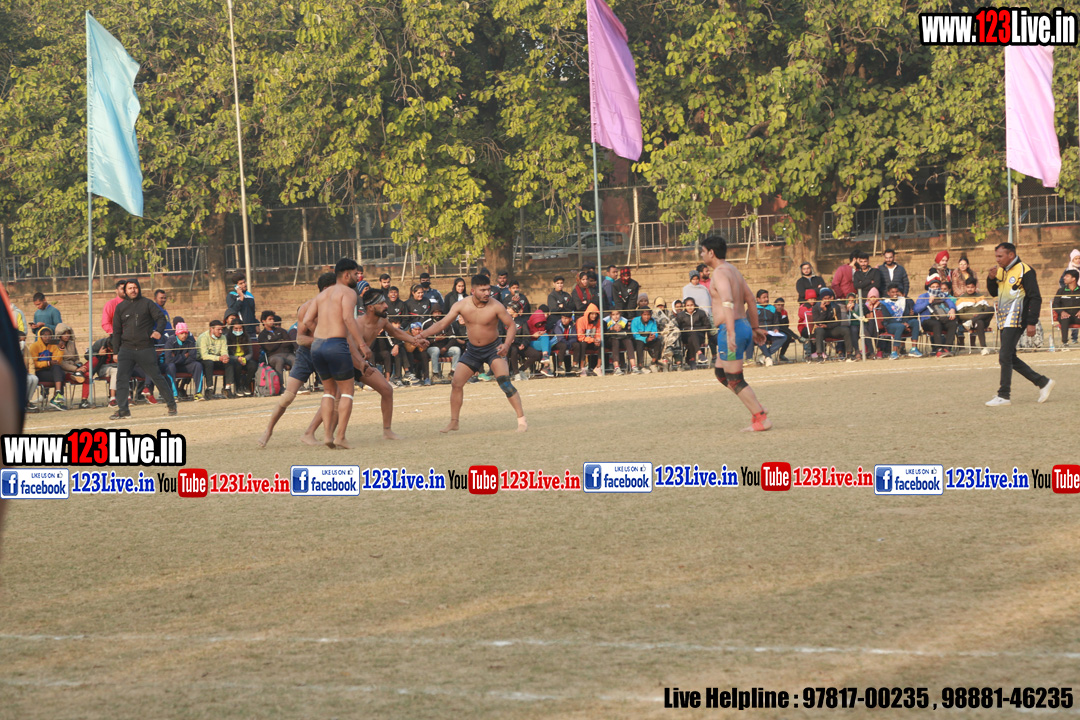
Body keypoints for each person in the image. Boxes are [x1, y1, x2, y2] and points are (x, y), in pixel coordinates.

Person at [419, 274, 527, 432]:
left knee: (504, 382)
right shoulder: (461, 305)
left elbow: (511, 325)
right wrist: (422, 335)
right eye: (483, 290)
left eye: (488, 289)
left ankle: (522, 421)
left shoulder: (496, 306)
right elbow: (442, 323)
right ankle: (454, 422)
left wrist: (506, 344)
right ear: (473, 291)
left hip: (493, 349)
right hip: (473, 350)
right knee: (456, 383)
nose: (487, 293)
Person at [299, 258, 374, 447]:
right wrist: (362, 345)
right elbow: (348, 318)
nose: (358, 277)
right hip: (336, 345)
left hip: (318, 346)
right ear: (346, 275)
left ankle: (327, 436)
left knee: (328, 392)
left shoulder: (322, 295)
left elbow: (307, 320)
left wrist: (321, 332)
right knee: (347, 391)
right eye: (356, 274)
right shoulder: (348, 293)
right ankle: (340, 437)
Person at [700, 235, 771, 431]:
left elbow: (728, 301)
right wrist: (754, 328)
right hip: (742, 327)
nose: (701, 255)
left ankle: (761, 418)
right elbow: (751, 299)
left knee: (735, 379)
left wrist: (730, 332)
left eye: (703, 251)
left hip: (732, 330)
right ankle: (756, 406)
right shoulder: (733, 270)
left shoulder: (720, 273)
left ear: (711, 253)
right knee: (721, 373)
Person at [259, 273, 337, 447]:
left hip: (326, 354)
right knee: (288, 396)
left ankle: (310, 433)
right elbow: (300, 339)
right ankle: (268, 430)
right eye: (336, 288)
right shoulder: (307, 308)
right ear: (326, 289)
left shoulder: (337, 307)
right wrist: (322, 340)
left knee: (332, 395)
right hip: (306, 354)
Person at [985, 242, 1054, 406]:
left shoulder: (1025, 270)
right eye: (996, 256)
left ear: (1011, 255)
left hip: (1016, 318)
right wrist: (991, 279)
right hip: (1004, 318)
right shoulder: (1001, 270)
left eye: (1000, 256)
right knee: (1009, 356)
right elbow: (994, 292)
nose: (997, 259)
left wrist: (1032, 322)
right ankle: (1042, 382)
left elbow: (1035, 297)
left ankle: (1004, 395)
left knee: (1004, 356)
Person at [110, 279, 176, 418]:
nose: (133, 290)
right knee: (121, 379)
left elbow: (161, 319)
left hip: (145, 347)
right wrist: (116, 352)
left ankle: (171, 404)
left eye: (135, 287)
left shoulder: (147, 303)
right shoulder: (120, 307)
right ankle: (123, 410)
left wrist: (158, 331)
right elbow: (116, 331)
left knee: (156, 376)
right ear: (125, 291)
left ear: (139, 289)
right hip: (126, 348)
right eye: (130, 288)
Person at [914, 278, 958, 357]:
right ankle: (939, 349)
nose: (935, 288)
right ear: (929, 287)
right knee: (936, 324)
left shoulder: (942, 295)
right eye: (933, 287)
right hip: (927, 320)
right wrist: (928, 302)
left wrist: (952, 309)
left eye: (937, 287)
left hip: (942, 318)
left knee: (953, 323)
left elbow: (950, 302)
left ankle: (947, 348)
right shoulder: (923, 296)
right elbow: (916, 309)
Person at [881, 283, 923, 359]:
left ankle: (914, 349)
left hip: (903, 323)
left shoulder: (903, 301)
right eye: (892, 292)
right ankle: (894, 352)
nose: (895, 294)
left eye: (896, 292)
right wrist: (903, 324)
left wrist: (906, 323)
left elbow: (906, 314)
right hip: (891, 324)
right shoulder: (885, 303)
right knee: (900, 326)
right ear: (888, 293)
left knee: (915, 322)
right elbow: (888, 319)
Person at [197, 320, 237, 399]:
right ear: (211, 329)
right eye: (218, 329)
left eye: (221, 329)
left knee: (229, 362)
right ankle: (209, 389)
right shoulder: (203, 337)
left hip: (218, 359)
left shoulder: (223, 337)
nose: (221, 331)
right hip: (203, 360)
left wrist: (225, 357)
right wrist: (219, 358)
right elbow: (204, 355)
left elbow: (224, 351)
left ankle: (227, 388)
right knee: (209, 363)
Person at [811, 288, 854, 361]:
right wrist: (824, 311)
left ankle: (849, 354)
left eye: (828, 298)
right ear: (821, 299)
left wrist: (827, 326)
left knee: (846, 330)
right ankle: (820, 355)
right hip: (822, 329)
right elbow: (817, 322)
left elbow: (838, 322)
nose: (827, 300)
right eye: (825, 298)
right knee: (819, 331)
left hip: (832, 329)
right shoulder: (816, 307)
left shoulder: (836, 307)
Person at [162, 322, 203, 399]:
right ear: (177, 333)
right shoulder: (170, 341)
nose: (184, 335)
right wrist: (184, 356)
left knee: (197, 365)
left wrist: (176, 358)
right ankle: (174, 394)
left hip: (185, 365)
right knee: (170, 366)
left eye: (186, 333)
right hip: (174, 366)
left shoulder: (190, 341)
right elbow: (168, 359)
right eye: (182, 333)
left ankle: (198, 393)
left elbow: (192, 357)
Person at [53, 323, 90, 408]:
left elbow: (76, 357)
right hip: (65, 370)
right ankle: (76, 375)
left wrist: (79, 365)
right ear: (59, 334)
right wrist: (75, 369)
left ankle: (84, 400)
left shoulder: (72, 343)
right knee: (76, 375)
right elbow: (60, 362)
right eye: (64, 333)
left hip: (75, 367)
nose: (67, 335)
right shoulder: (55, 345)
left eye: (68, 333)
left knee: (87, 375)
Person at [954, 279, 995, 354]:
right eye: (968, 287)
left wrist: (978, 316)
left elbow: (987, 310)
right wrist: (971, 316)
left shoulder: (981, 297)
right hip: (968, 323)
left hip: (982, 320)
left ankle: (972, 321)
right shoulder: (961, 299)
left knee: (991, 308)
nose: (970, 289)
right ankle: (983, 348)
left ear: (975, 287)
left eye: (972, 287)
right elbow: (959, 315)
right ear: (965, 287)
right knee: (979, 322)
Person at [257, 310, 296, 382]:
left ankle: (296, 384)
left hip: (287, 354)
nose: (272, 321)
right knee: (279, 360)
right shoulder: (262, 335)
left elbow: (288, 342)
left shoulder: (281, 330)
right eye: (270, 319)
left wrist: (274, 343)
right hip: (273, 356)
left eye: (273, 319)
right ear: (264, 321)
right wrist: (280, 341)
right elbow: (269, 348)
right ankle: (280, 385)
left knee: (296, 360)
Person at [675, 297, 710, 369]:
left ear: (694, 305)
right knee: (691, 335)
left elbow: (708, 326)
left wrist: (696, 329)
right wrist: (685, 330)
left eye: (691, 305)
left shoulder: (701, 313)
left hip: (699, 336)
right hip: (685, 336)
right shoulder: (681, 315)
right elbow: (677, 327)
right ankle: (699, 354)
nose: (690, 307)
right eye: (688, 305)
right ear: (685, 306)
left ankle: (692, 360)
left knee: (693, 335)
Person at [753, 290, 787, 365]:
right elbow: (750, 323)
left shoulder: (772, 308)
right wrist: (760, 330)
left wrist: (776, 329)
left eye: (767, 297)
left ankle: (764, 355)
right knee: (760, 338)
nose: (766, 299)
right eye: (764, 297)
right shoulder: (753, 308)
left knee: (783, 337)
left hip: (770, 332)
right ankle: (768, 357)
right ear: (758, 299)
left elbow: (776, 322)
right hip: (758, 333)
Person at [604, 308, 637, 374]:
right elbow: (604, 334)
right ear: (610, 315)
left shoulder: (624, 320)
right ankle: (616, 367)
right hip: (610, 341)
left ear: (620, 314)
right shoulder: (605, 321)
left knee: (628, 341)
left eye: (617, 314)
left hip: (621, 339)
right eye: (613, 315)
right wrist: (612, 329)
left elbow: (627, 333)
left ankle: (633, 366)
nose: (616, 316)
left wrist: (621, 329)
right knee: (615, 341)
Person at [631, 306, 662, 372]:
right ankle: (640, 365)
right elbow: (635, 335)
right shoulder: (635, 321)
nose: (647, 317)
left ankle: (653, 362)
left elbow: (655, 331)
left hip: (649, 338)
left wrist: (653, 336)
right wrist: (645, 339)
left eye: (648, 315)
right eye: (644, 315)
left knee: (658, 341)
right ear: (641, 315)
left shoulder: (652, 321)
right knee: (640, 343)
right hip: (638, 339)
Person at [1053, 269, 1080, 347]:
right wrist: (1061, 312)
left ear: (1073, 279)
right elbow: (1055, 304)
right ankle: (1065, 343)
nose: (1064, 278)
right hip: (1064, 316)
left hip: (1077, 317)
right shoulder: (1061, 291)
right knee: (1065, 319)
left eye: (1067, 276)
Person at [575, 303, 602, 375]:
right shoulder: (580, 321)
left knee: (601, 343)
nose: (594, 316)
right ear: (588, 314)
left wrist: (598, 340)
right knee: (583, 344)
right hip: (584, 342)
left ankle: (598, 367)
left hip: (593, 342)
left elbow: (599, 333)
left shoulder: (598, 321)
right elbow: (580, 337)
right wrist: (592, 340)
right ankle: (582, 367)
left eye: (596, 314)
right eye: (592, 314)